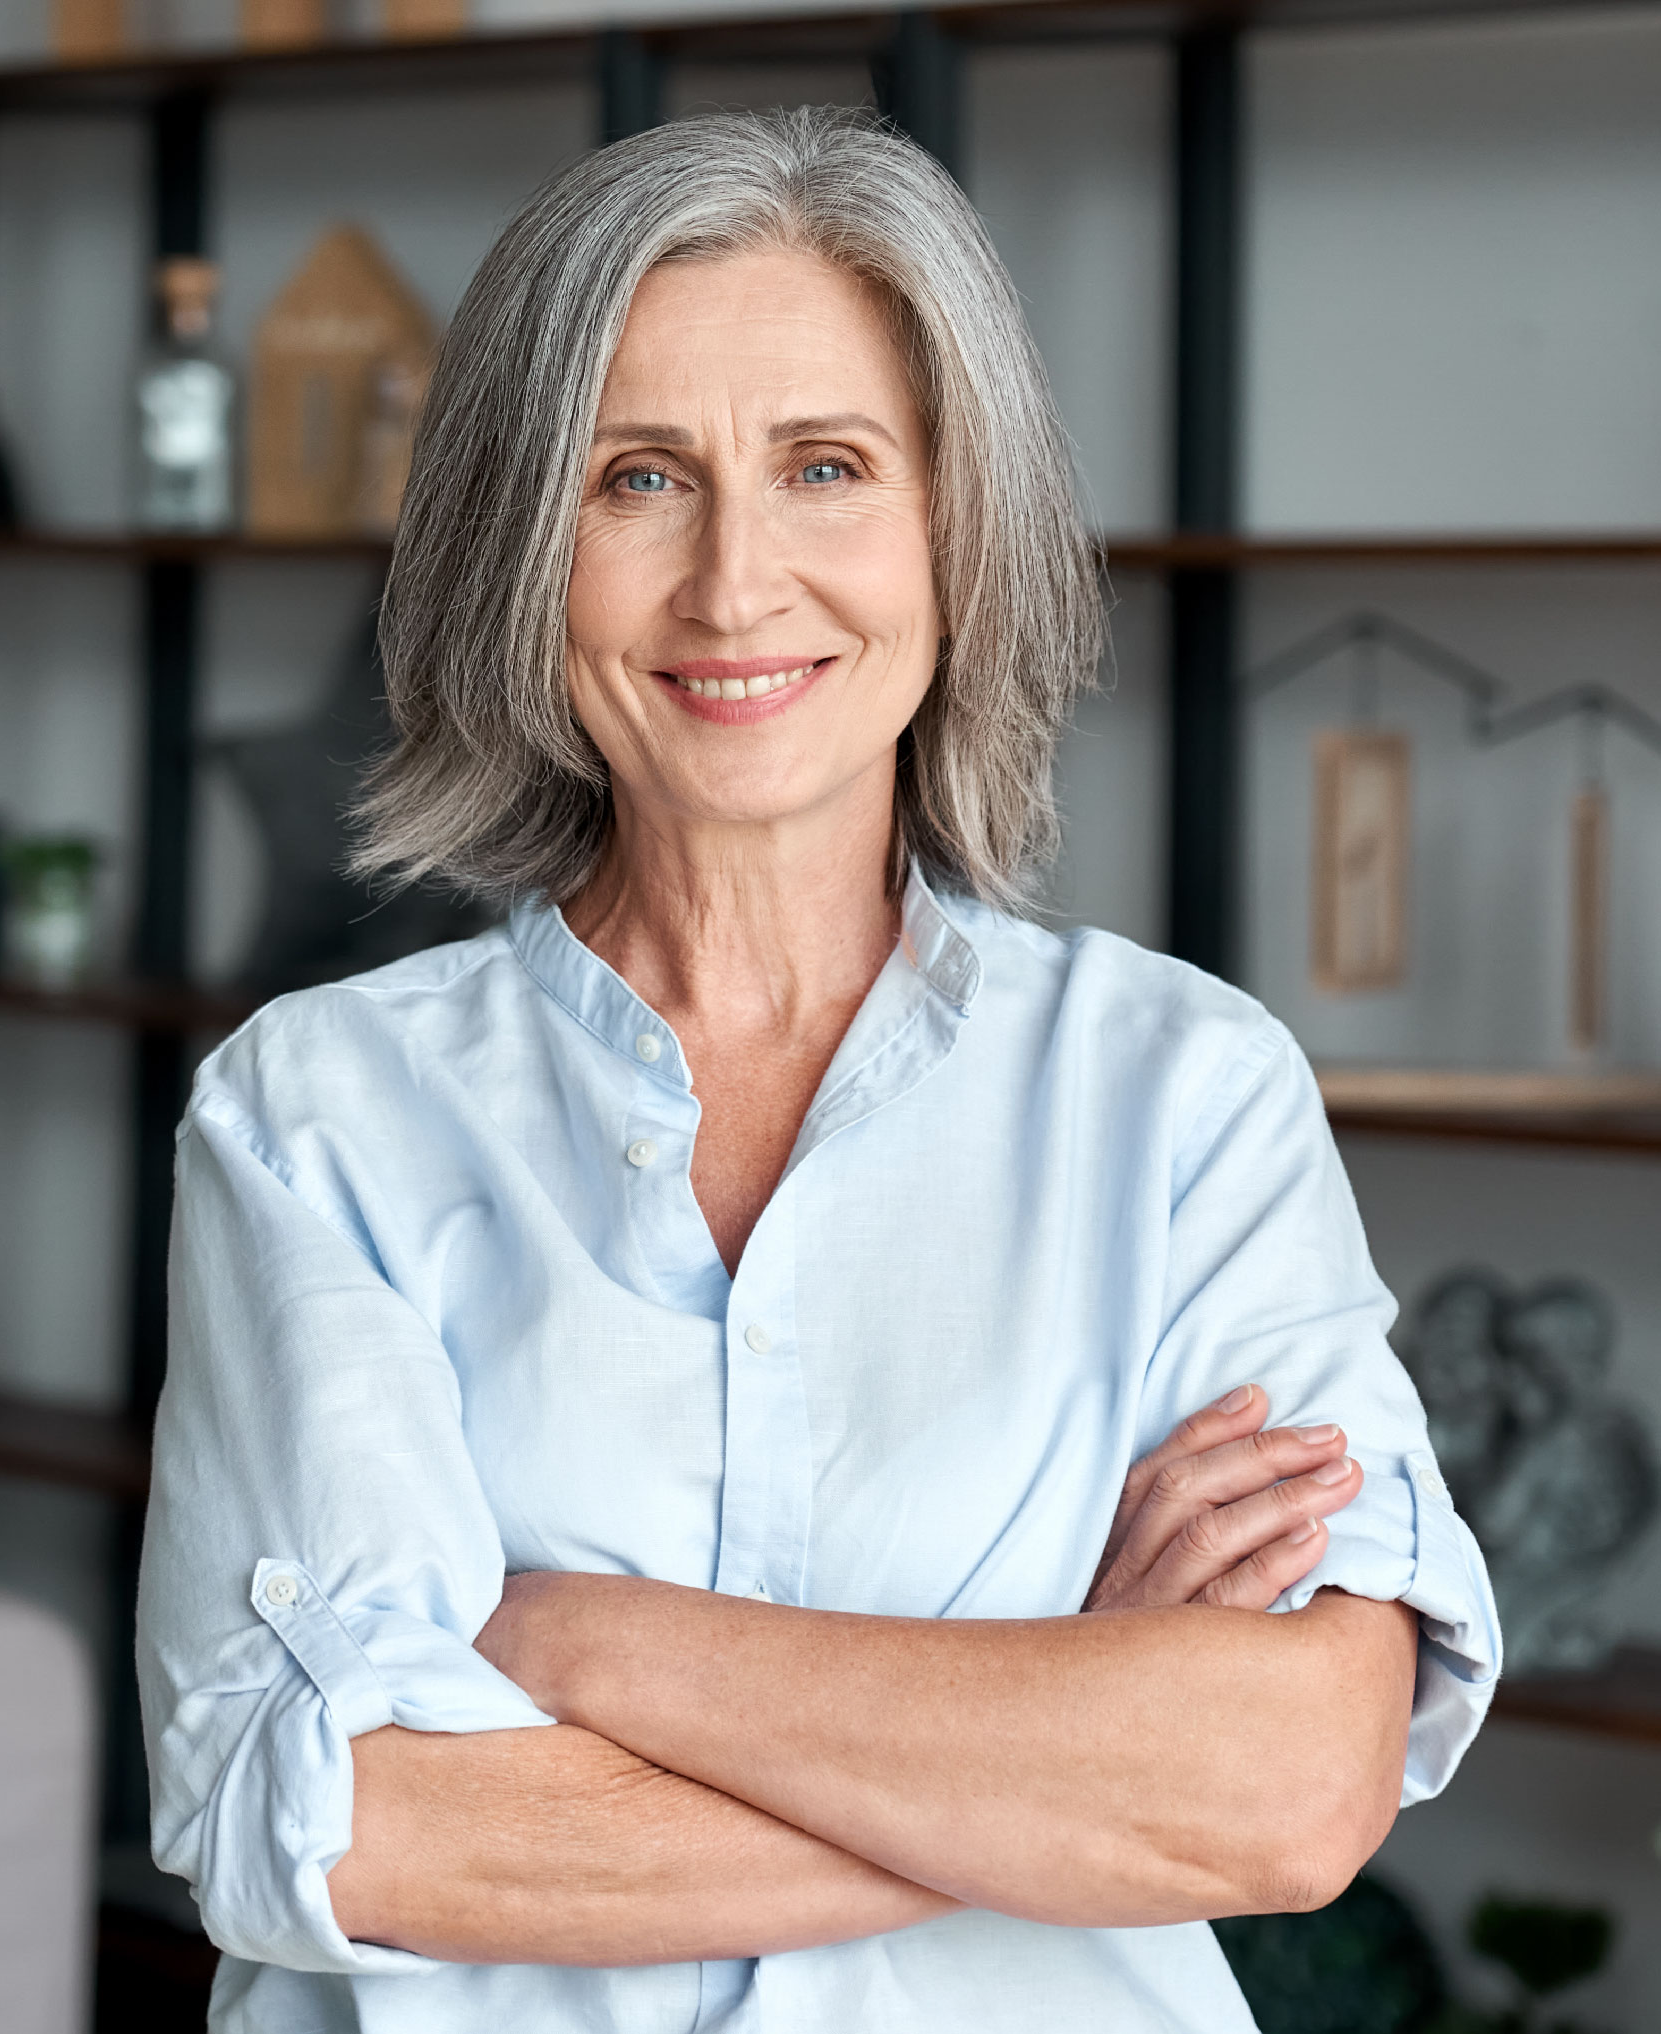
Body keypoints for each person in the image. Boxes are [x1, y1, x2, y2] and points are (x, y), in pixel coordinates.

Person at [138, 107, 1499, 2034]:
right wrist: (1066, 1737)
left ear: (956, 528)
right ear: (520, 550)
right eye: (636, 479)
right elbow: (347, 1833)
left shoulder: (1185, 1097)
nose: (733, 584)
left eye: (827, 466)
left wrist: (571, 1636)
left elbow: (1283, 1787)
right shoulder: (316, 1116)